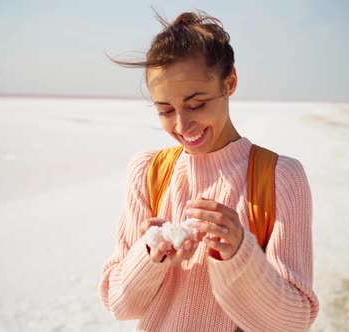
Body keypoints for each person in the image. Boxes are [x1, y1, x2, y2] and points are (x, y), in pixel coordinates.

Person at [99, 10, 319, 332]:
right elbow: (119, 304)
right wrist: (149, 254)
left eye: (196, 104)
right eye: (165, 110)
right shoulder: (148, 172)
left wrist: (238, 253)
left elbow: (294, 321)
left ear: (229, 82)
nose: (182, 125)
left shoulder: (279, 178)